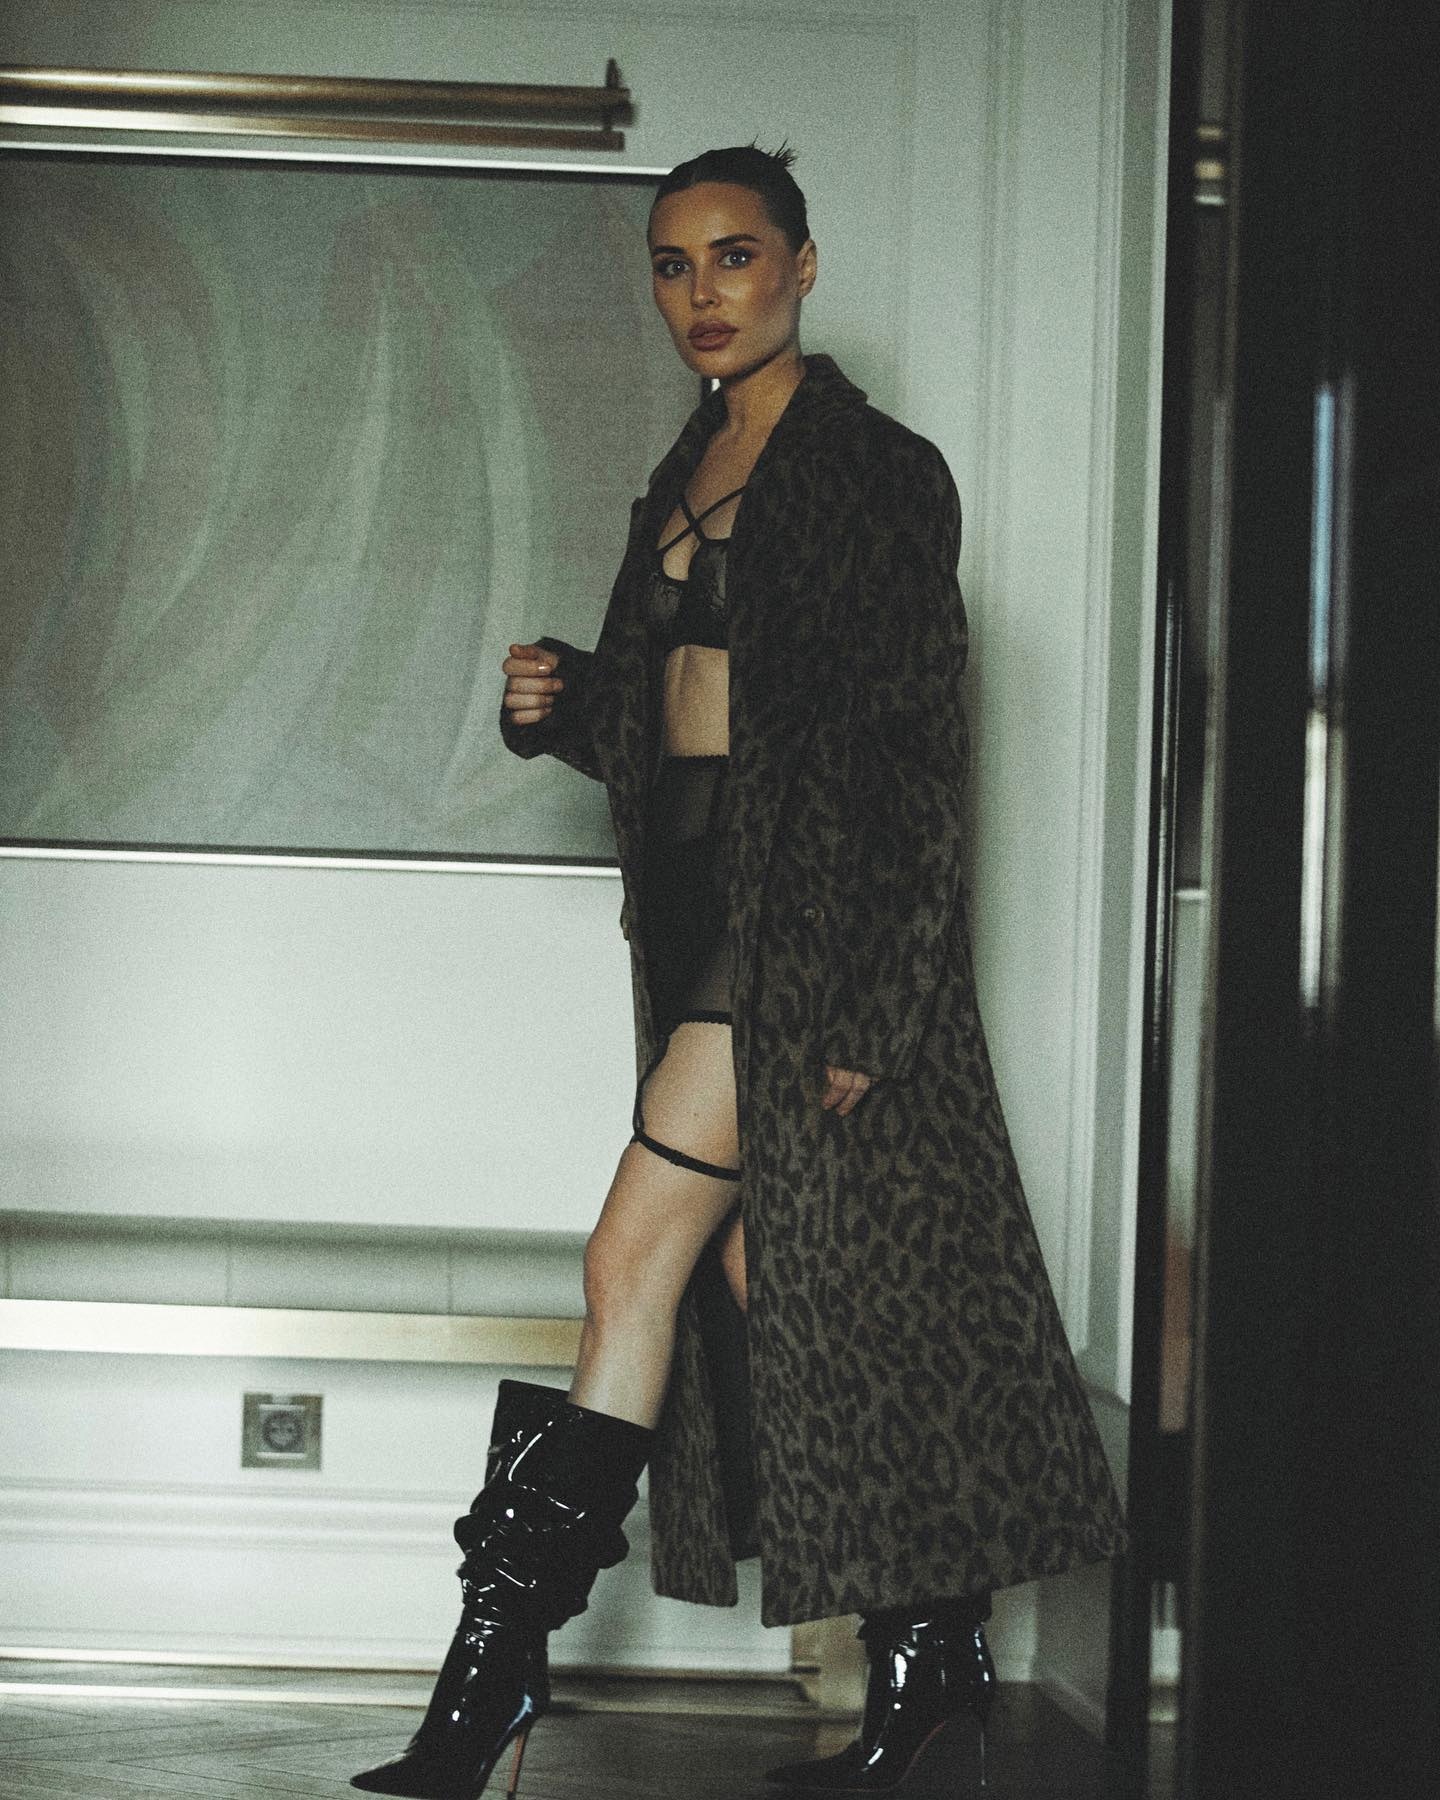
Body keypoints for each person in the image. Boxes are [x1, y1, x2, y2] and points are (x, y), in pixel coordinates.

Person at [352, 145, 1127, 1800]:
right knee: (780, 1288)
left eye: (735, 255)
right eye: (673, 264)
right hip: (696, 916)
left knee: (629, 1255)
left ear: (802, 266)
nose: (702, 293)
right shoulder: (683, 465)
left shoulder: (877, 470)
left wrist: (878, 1003)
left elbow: (915, 750)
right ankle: (933, 1671)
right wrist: (565, 709)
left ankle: (487, 1687)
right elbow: (683, 731)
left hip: (804, 939)